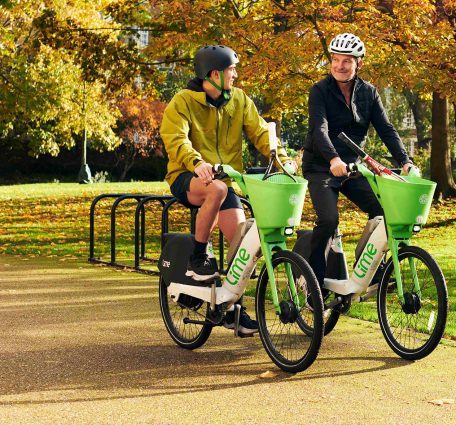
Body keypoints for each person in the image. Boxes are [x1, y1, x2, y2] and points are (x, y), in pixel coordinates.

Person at [160, 45, 295, 336]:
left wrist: (282, 161)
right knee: (216, 189)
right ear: (214, 74)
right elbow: (176, 138)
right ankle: (198, 257)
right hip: (187, 175)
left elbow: (260, 132)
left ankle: (231, 309)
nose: (235, 74)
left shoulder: (239, 101)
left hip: (226, 180)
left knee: (243, 245)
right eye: (231, 69)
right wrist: (196, 163)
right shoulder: (182, 102)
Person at [303, 33, 413, 286]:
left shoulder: (369, 93)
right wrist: (333, 160)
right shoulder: (319, 91)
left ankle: (370, 269)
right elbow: (319, 129)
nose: (340, 66)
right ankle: (313, 281)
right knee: (329, 220)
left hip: (354, 167)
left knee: (385, 213)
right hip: (321, 166)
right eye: (336, 59)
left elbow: (386, 129)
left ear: (359, 63)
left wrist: (405, 160)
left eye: (347, 61)